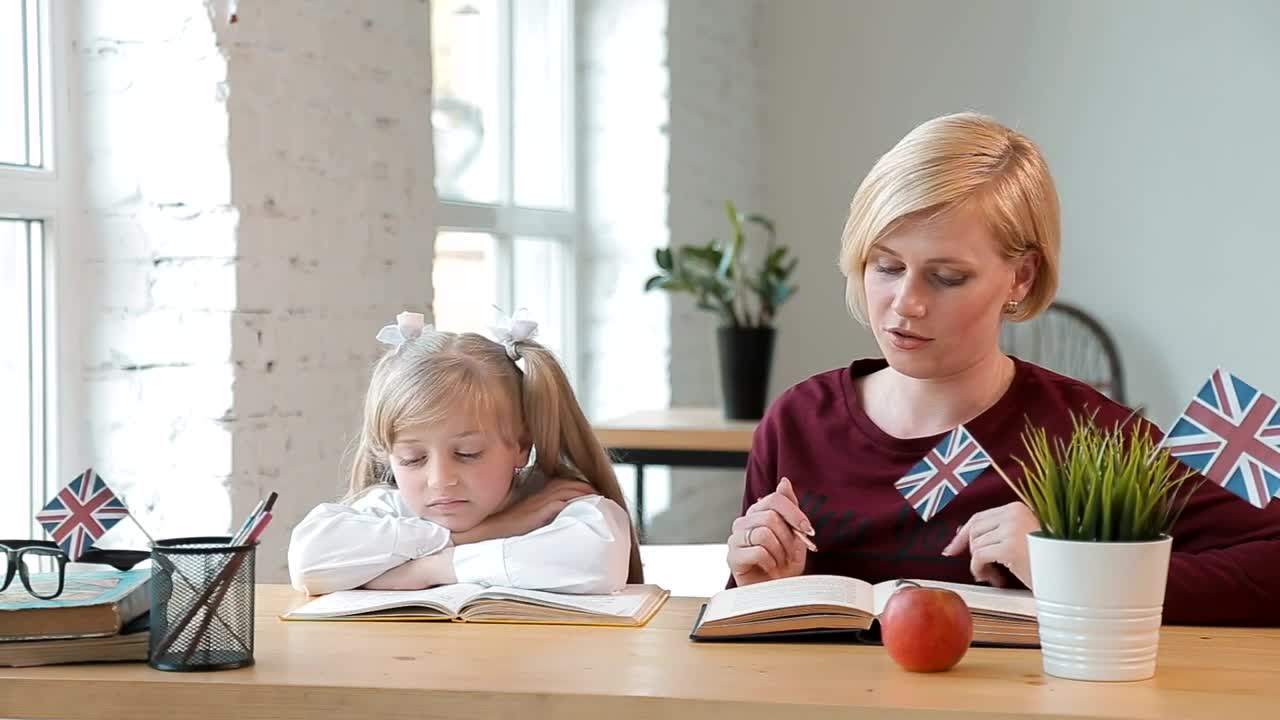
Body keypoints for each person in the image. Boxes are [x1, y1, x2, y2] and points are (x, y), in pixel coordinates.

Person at [724, 112, 1280, 625]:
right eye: (886, 266)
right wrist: (756, 587)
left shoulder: (1095, 432)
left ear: (1021, 278)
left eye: (946, 277)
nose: (905, 304)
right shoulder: (796, 420)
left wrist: (1071, 570)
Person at [289, 310, 642, 596]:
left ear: (521, 446)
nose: (440, 480)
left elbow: (597, 562)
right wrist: (489, 532)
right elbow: (309, 561)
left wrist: (427, 569)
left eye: (468, 453)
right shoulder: (388, 508)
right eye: (413, 459)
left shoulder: (559, 504)